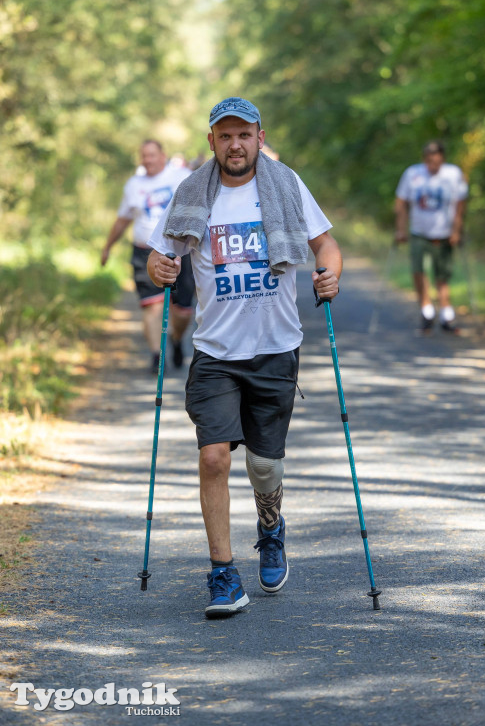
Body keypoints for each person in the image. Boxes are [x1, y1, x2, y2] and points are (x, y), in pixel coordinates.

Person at [147, 97, 342, 618]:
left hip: (276, 348)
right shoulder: (192, 192)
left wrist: (330, 272)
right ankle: (223, 575)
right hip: (215, 352)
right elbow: (159, 253)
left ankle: (271, 526)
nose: (236, 144)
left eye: (245, 134)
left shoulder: (286, 185)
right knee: (214, 457)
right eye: (225, 135)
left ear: (259, 137)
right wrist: (159, 270)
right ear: (211, 141)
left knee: (264, 466)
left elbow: (326, 245)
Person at [101, 140, 195, 372]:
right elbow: (123, 219)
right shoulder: (134, 185)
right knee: (151, 306)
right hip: (144, 251)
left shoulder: (182, 176)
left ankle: (175, 339)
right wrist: (107, 246)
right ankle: (156, 356)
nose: (148, 160)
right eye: (144, 156)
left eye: (152, 155)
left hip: (180, 251)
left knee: (182, 310)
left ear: (163, 156)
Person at [395, 140, 468, 334]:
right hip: (419, 232)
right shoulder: (413, 174)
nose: (432, 165)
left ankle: (446, 312)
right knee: (418, 269)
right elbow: (401, 202)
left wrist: (456, 231)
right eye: (428, 161)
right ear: (424, 159)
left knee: (442, 274)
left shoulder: (453, 174)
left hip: (444, 233)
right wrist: (400, 229)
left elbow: (460, 205)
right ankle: (426, 309)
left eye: (436, 161)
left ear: (442, 159)